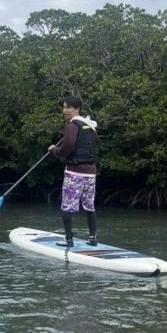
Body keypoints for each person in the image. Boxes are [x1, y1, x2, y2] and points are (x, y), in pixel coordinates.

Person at [48, 96, 99, 247]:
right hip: (91, 173)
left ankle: (68, 240)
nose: (65, 111)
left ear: (77, 109)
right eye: (64, 107)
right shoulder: (90, 126)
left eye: (69, 107)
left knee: (67, 206)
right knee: (89, 205)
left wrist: (53, 149)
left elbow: (66, 151)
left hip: (75, 173)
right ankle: (93, 238)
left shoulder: (72, 126)